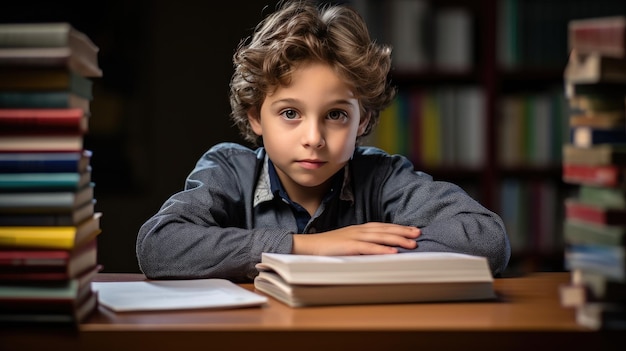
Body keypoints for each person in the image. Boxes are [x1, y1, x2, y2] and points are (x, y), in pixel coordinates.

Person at [136, 0, 511, 282]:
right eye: (290, 113)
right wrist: (308, 246)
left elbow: (486, 240)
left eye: (335, 115)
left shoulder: (382, 176)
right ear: (255, 115)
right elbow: (159, 246)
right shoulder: (230, 170)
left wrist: (360, 252)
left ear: (362, 120)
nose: (313, 139)